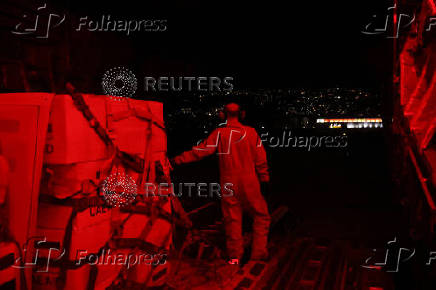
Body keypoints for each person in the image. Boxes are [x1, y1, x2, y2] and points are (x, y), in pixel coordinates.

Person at [171, 103, 271, 264]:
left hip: (228, 183)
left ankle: (235, 257)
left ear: (223, 115)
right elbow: (261, 159)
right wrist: (264, 179)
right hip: (249, 182)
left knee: (232, 220)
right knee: (261, 216)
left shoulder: (219, 134)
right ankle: (258, 254)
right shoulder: (251, 133)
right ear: (242, 114)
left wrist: (176, 161)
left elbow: (200, 151)